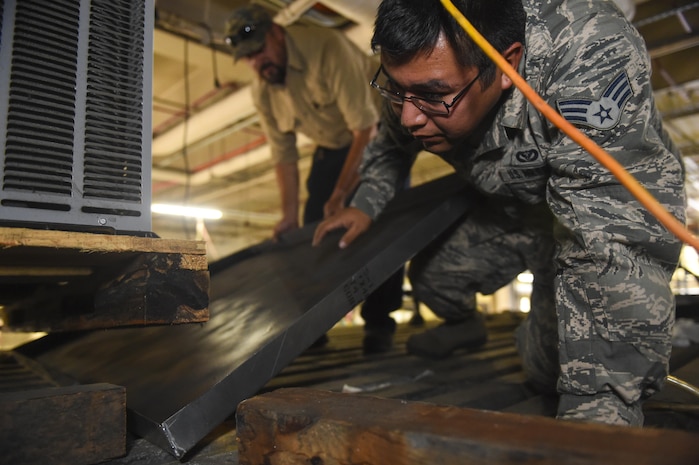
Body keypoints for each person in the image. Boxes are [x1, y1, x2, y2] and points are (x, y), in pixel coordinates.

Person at [313, 0, 686, 426]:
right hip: (516, 210)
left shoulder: (586, 50)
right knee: (432, 279)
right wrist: (364, 206)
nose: (411, 116)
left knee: (554, 370)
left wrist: (602, 408)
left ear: (508, 63)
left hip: (590, 213)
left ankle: (548, 331)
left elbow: (610, 237)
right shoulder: (420, 75)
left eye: (434, 97)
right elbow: (388, 148)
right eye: (399, 92)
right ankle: (466, 326)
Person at [224, 4, 404, 354]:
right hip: (332, 146)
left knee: (382, 222)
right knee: (311, 228)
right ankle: (315, 323)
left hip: (377, 135)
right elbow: (284, 156)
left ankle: (380, 323)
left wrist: (341, 195)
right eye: (247, 59)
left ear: (277, 33)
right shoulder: (263, 90)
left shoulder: (326, 48)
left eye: (260, 51)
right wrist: (288, 213)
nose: (257, 63)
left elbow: (364, 128)